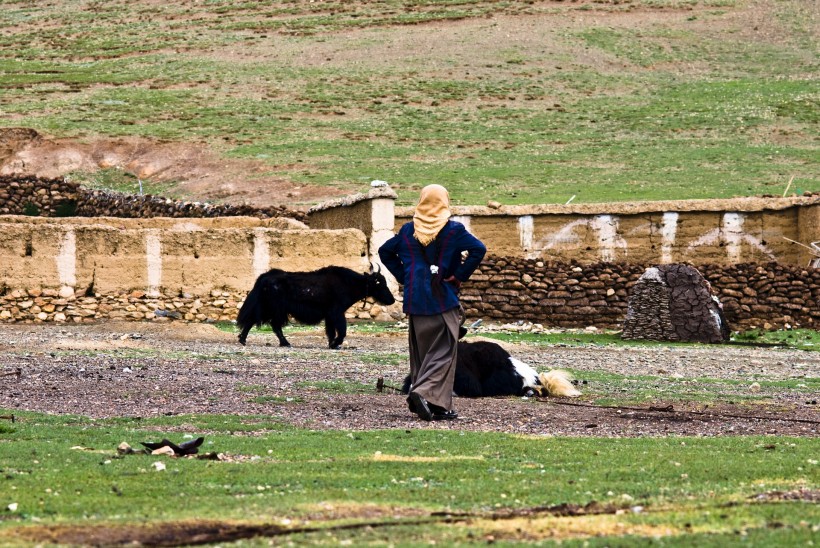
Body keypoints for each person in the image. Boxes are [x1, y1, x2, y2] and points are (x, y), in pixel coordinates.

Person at [379, 184, 486, 421]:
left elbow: (384, 251)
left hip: (415, 300)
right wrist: (458, 275)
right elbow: (478, 249)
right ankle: (423, 393)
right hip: (441, 299)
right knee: (445, 352)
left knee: (423, 353)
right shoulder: (453, 230)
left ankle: (435, 406)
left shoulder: (407, 231)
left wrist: (405, 276)